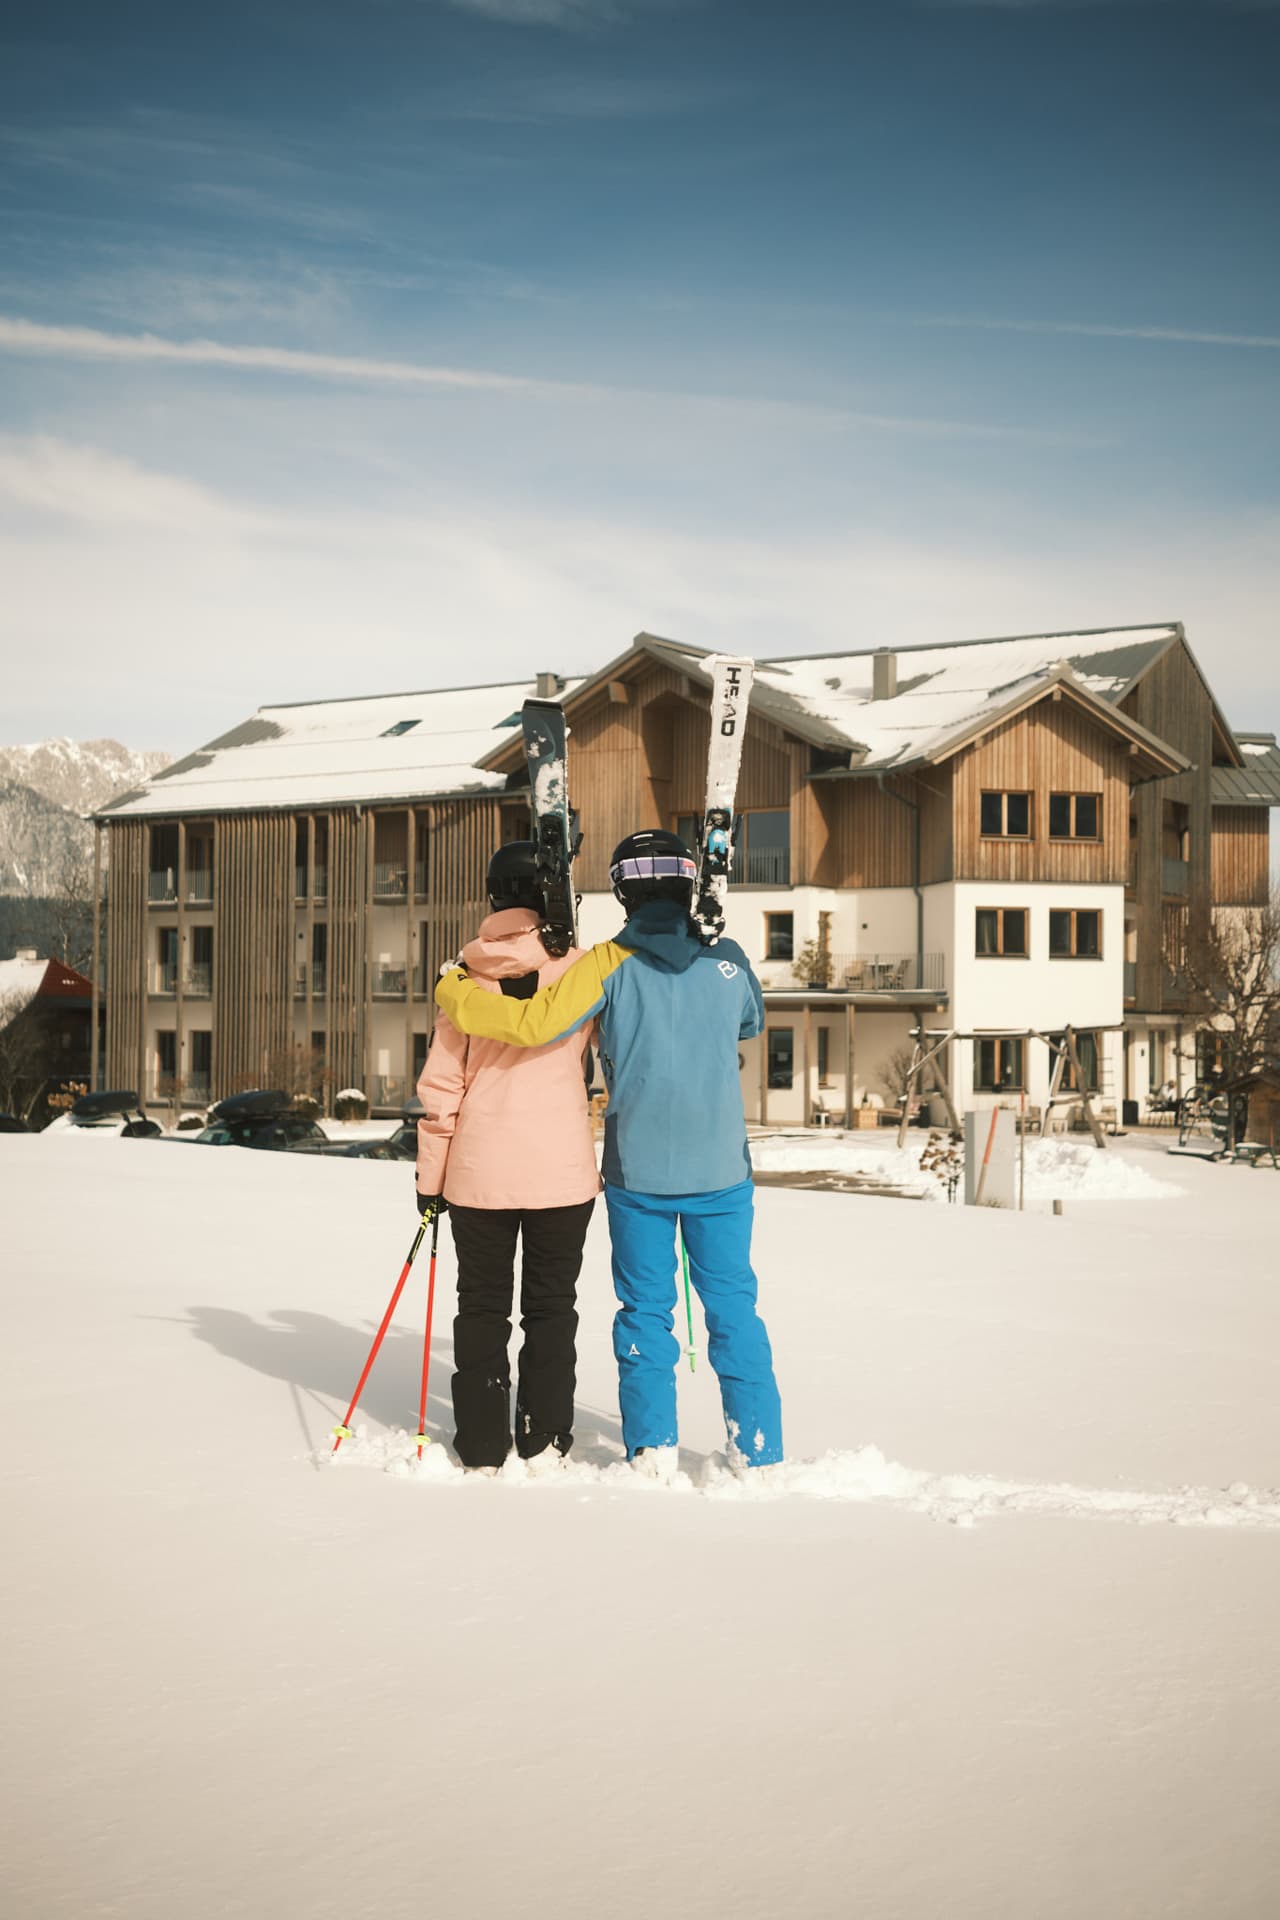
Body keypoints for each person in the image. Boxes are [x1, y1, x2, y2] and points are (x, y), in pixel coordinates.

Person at [434, 828, 782, 1478]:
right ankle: (757, 1451)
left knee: (647, 1312)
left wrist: (456, 993)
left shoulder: (606, 962)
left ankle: (651, 1451)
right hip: (721, 1173)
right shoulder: (728, 956)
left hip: (639, 1174)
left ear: (623, 890)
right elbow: (750, 1022)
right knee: (734, 1305)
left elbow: (532, 1025)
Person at [416, 841, 598, 1472]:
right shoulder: (579, 973)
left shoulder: (461, 981)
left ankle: (481, 1443)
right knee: (552, 1307)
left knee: (482, 1307)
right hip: (561, 1172)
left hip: (476, 1173)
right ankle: (544, 1438)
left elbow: (442, 1090)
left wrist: (430, 1179)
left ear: (493, 898)